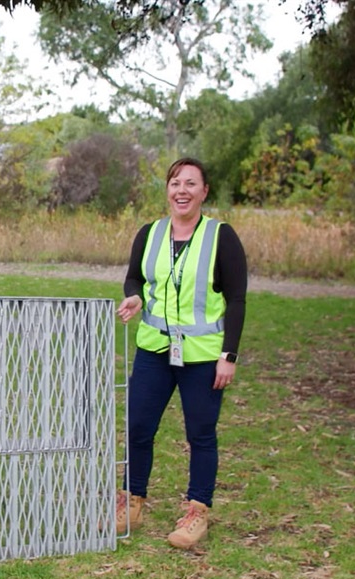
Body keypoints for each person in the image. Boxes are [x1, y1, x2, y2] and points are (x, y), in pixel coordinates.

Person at [115, 157, 247, 549]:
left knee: (201, 434)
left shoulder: (221, 236)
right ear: (167, 190)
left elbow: (237, 299)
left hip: (203, 356)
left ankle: (197, 512)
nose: (182, 191)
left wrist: (230, 355)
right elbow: (134, 276)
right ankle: (131, 501)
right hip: (155, 349)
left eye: (191, 183)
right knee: (138, 428)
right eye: (175, 183)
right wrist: (134, 296)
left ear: (205, 192)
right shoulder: (150, 233)